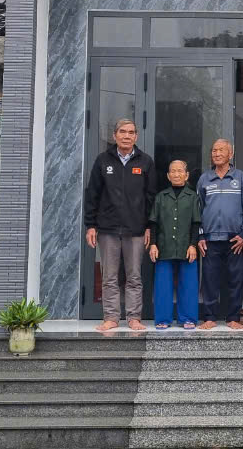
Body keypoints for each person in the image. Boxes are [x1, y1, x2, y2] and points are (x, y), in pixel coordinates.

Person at [84, 118, 156, 332]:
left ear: (136, 136)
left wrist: (149, 226)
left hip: (136, 229)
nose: (127, 136)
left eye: (131, 132)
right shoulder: (102, 160)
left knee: (134, 276)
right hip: (108, 229)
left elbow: (151, 197)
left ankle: (134, 318)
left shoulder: (145, 162)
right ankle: (111, 317)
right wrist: (90, 225)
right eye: (122, 132)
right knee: (109, 277)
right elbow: (92, 194)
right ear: (114, 135)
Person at [195, 138, 243, 330]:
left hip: (235, 239)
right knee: (209, 280)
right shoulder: (204, 179)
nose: (217, 154)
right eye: (214, 150)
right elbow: (198, 210)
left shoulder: (240, 177)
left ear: (231, 154)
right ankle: (209, 317)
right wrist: (201, 236)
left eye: (221, 150)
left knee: (235, 280)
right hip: (210, 239)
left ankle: (233, 317)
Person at [148, 160, 201, 330]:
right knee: (163, 284)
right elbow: (154, 222)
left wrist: (193, 245)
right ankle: (163, 319)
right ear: (168, 175)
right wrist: (153, 244)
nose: (176, 174)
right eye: (173, 171)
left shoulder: (193, 197)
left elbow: (196, 223)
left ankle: (188, 318)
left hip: (187, 247)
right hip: (164, 247)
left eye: (180, 171)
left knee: (189, 284)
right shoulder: (161, 197)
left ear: (186, 175)